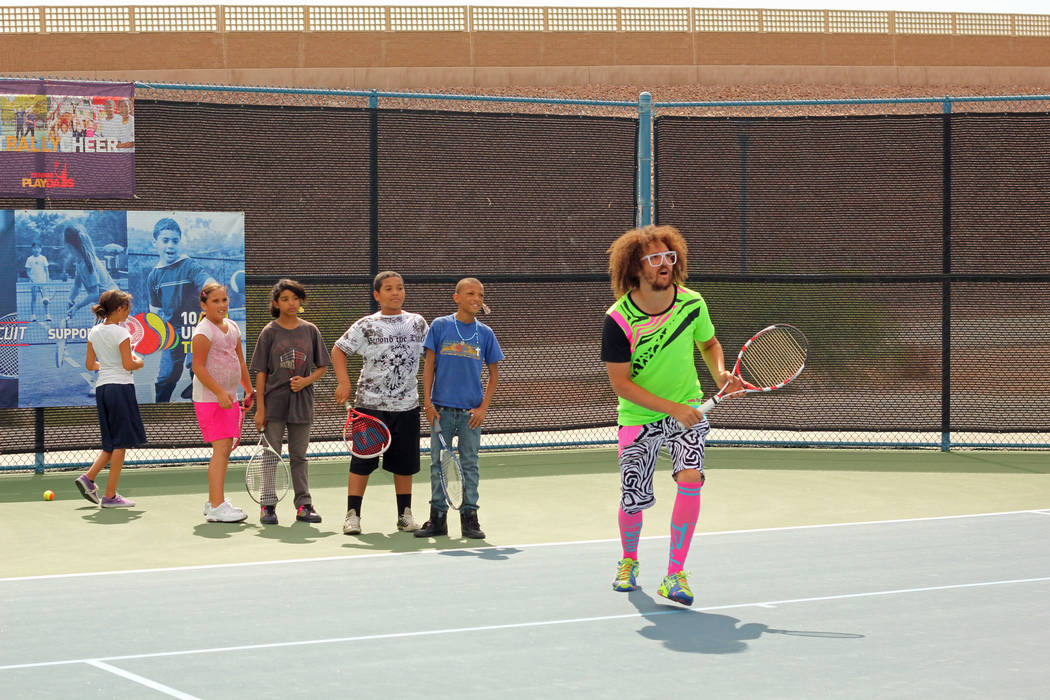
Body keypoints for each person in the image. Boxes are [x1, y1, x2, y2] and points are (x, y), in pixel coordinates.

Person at [600, 224, 743, 606]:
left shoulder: (692, 303)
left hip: (688, 407)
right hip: (638, 417)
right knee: (633, 496)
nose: (663, 264)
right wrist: (672, 410)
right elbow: (621, 384)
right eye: (653, 259)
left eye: (669, 257)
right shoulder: (618, 319)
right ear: (635, 267)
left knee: (691, 477)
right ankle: (629, 560)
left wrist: (721, 374)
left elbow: (709, 342)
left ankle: (675, 574)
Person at [332, 271, 429, 535]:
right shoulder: (366, 325)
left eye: (399, 288)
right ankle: (353, 515)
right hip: (370, 407)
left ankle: (404, 515)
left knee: (405, 464)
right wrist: (344, 383)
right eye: (388, 289)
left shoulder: (417, 323)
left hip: (407, 406)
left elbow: (430, 356)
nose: (395, 293)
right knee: (362, 462)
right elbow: (339, 350)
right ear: (377, 295)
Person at [415, 278, 503, 540]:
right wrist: (428, 403)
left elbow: (494, 374)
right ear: (457, 297)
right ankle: (437, 519)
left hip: (470, 416)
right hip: (441, 412)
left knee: (469, 465)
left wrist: (482, 409)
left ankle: (470, 519)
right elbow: (429, 365)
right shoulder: (441, 326)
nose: (476, 298)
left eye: (480, 294)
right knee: (437, 464)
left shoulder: (485, 333)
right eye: (470, 293)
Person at [250, 279, 330, 525]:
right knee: (271, 456)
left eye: (295, 298)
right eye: (285, 299)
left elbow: (323, 367)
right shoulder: (269, 332)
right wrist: (260, 409)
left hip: (302, 404)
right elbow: (261, 373)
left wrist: (305, 381)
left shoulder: (310, 330)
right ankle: (267, 506)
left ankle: (304, 505)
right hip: (273, 405)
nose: (291, 303)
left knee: (299, 456)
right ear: (276, 303)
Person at [73, 289, 147, 508]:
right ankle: (110, 496)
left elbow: (90, 365)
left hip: (103, 390)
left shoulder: (94, 332)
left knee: (112, 443)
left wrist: (108, 364)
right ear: (119, 309)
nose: (128, 314)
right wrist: (139, 362)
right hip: (121, 389)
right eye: (127, 310)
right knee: (121, 444)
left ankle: (88, 478)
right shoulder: (121, 333)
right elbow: (128, 364)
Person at [192, 282, 254, 523]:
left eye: (224, 300)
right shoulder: (203, 332)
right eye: (215, 301)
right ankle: (217, 505)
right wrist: (219, 392)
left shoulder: (234, 327)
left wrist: (248, 390)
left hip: (228, 398)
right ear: (203, 305)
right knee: (221, 449)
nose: (221, 305)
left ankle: (213, 502)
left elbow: (239, 361)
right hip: (210, 399)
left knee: (225, 449)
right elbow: (198, 367)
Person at [145, 217, 216, 402]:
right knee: (166, 377)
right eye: (165, 240)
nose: (171, 245)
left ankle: (200, 399)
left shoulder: (189, 265)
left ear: (180, 242)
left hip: (196, 327)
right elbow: (155, 311)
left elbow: (206, 280)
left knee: (197, 366)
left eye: (175, 241)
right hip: (172, 332)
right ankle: (160, 409)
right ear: (155, 243)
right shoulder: (153, 277)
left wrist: (212, 289)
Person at [62, 223, 117, 320]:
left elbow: (94, 294)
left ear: (69, 245)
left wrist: (77, 307)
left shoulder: (87, 263)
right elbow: (77, 286)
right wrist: (70, 299)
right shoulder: (79, 261)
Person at [24, 242, 52, 322]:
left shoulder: (43, 258)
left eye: (38, 248)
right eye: (34, 248)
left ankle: (47, 315)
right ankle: (33, 316)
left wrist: (47, 281)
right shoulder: (29, 259)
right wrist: (33, 280)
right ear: (32, 249)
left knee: (45, 300)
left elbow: (46, 271)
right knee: (33, 299)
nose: (36, 250)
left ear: (40, 249)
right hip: (33, 283)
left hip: (43, 283)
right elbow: (28, 272)